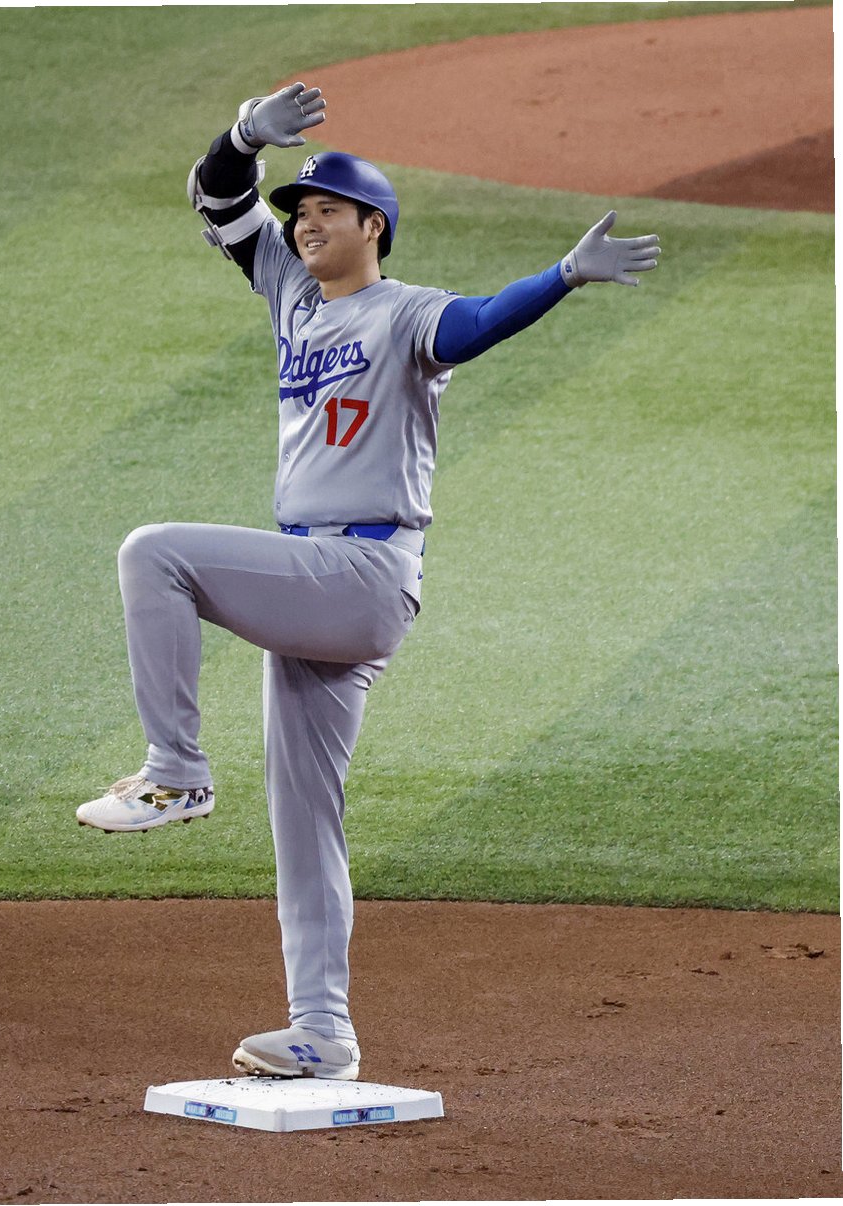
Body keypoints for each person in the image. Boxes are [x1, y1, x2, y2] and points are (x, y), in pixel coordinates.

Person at [76, 83, 660, 1082]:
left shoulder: (406, 314)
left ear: (373, 227)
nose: (304, 224)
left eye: (325, 211)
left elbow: (479, 323)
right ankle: (323, 1034)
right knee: (304, 822)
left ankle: (176, 772)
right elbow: (217, 199)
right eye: (299, 211)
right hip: (317, 583)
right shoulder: (292, 294)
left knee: (155, 553)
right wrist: (245, 135)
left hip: (360, 573)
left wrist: (563, 275)